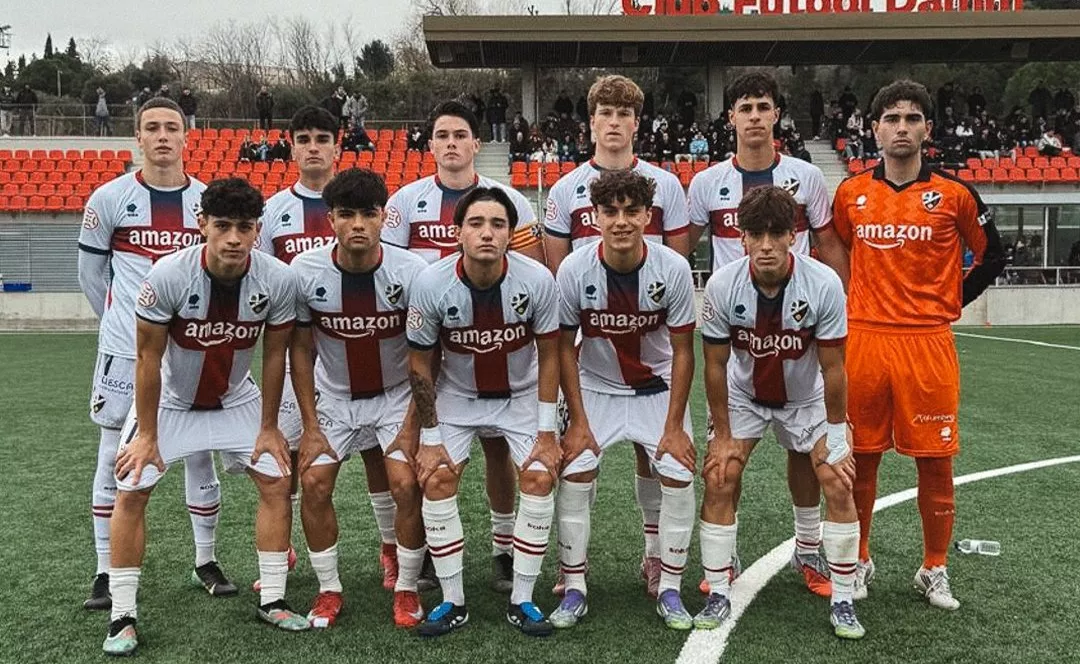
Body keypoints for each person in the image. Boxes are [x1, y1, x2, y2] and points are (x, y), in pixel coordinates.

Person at [101, 178, 303, 656]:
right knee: (132, 486)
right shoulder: (167, 276)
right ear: (202, 226)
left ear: (258, 230)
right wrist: (147, 434)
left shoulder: (277, 279)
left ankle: (272, 599)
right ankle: (122, 615)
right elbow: (148, 360)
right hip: (170, 402)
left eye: (245, 228)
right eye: (223, 226)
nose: (234, 238)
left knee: (276, 480)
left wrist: (270, 427)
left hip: (235, 399)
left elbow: (276, 357)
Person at [832, 79, 1005, 610]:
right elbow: (838, 251)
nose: (901, 127)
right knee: (860, 458)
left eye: (911, 119)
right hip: (864, 339)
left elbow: (993, 256)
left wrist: (949, 301)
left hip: (928, 343)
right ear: (874, 129)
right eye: (891, 119)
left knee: (936, 461)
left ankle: (934, 568)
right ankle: (859, 559)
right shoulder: (851, 194)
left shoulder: (955, 195)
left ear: (927, 129)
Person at [687, 71, 850, 599]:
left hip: (798, 329)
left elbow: (827, 243)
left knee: (808, 458)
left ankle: (808, 551)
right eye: (744, 107)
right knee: (722, 466)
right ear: (730, 117)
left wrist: (833, 307)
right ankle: (722, 559)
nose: (754, 116)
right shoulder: (707, 184)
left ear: (776, 114)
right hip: (739, 334)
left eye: (763, 106)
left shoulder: (807, 176)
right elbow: (682, 245)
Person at [382, 100, 546, 594]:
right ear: (430, 144)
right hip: (434, 337)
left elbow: (533, 266)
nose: (451, 143)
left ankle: (502, 547)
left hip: (498, 338)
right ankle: (430, 552)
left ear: (477, 144)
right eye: (442, 135)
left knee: (499, 451)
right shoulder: (405, 201)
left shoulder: (510, 201)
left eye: (460, 135)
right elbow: (391, 267)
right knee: (425, 455)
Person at [77, 98, 231, 614]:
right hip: (127, 348)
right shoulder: (108, 198)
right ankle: (104, 569)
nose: (163, 136)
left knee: (199, 448)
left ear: (188, 138)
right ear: (136, 137)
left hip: (194, 348)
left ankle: (205, 560)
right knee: (112, 454)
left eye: (172, 128)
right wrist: (125, 327)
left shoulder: (208, 202)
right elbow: (91, 277)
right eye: (152, 128)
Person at [543, 74, 691, 600]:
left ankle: (656, 558)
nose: (614, 123)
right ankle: (572, 570)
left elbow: (676, 260)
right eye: (604, 114)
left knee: (654, 455)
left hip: (649, 341)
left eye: (623, 115)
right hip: (592, 346)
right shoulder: (565, 189)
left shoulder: (667, 185)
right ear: (590, 123)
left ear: (636, 122)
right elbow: (559, 273)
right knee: (579, 456)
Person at [695, 185, 863, 639]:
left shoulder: (824, 284)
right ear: (742, 237)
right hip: (743, 394)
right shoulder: (722, 285)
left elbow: (833, 368)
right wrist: (723, 435)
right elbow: (715, 364)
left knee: (837, 475)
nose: (766, 245)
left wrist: (837, 436)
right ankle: (718, 585)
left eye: (776, 233)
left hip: (807, 397)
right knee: (720, 473)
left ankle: (844, 596)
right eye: (756, 234)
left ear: (794, 236)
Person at [258, 106, 401, 593]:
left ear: (338, 145)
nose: (314, 146)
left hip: (378, 365)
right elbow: (269, 285)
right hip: (317, 365)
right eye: (304, 138)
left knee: (383, 463)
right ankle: (290, 546)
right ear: (291, 147)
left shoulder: (378, 215)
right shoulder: (275, 211)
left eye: (323, 138)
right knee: (300, 460)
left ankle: (392, 555)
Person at [407, 187, 561, 638]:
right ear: (458, 233)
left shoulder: (536, 280)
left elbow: (550, 355)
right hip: (457, 396)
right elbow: (419, 364)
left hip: (520, 394)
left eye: (497, 224)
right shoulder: (432, 283)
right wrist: (430, 438)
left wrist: (548, 432)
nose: (487, 233)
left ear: (512, 233)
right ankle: (453, 600)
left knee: (537, 474)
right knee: (435, 477)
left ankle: (523, 600)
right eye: (476, 224)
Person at [289, 168, 430, 629]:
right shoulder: (306, 272)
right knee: (313, 483)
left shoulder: (411, 272)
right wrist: (310, 427)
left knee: (406, 483)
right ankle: (329, 589)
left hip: (394, 397)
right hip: (334, 397)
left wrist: (413, 424)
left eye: (368, 214)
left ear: (383, 217)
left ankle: (407, 586)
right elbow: (302, 350)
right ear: (330, 219)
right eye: (346, 214)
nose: (358, 225)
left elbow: (427, 356)